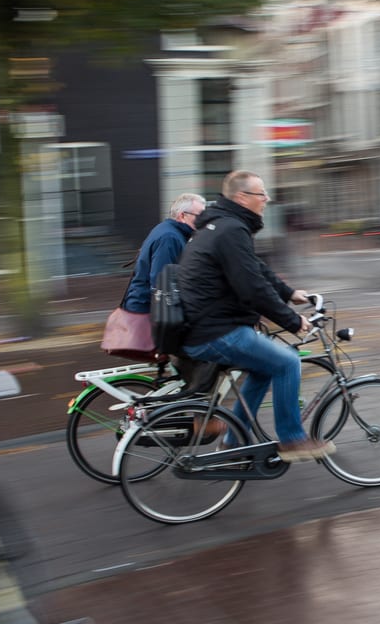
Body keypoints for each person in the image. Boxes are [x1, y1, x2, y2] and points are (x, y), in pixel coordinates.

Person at [176, 171, 335, 462]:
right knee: (288, 362)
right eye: (261, 194)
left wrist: (289, 293)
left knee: (263, 370)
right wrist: (292, 321)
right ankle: (292, 439)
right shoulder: (231, 230)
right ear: (242, 197)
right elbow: (252, 289)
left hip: (206, 326)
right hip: (216, 331)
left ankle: (234, 443)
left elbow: (256, 269)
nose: (267, 199)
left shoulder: (222, 226)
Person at [121, 193, 205, 314]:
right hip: (146, 311)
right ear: (182, 215)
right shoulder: (169, 238)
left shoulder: (167, 230)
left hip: (145, 307)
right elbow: (162, 283)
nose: (205, 220)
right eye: (200, 215)